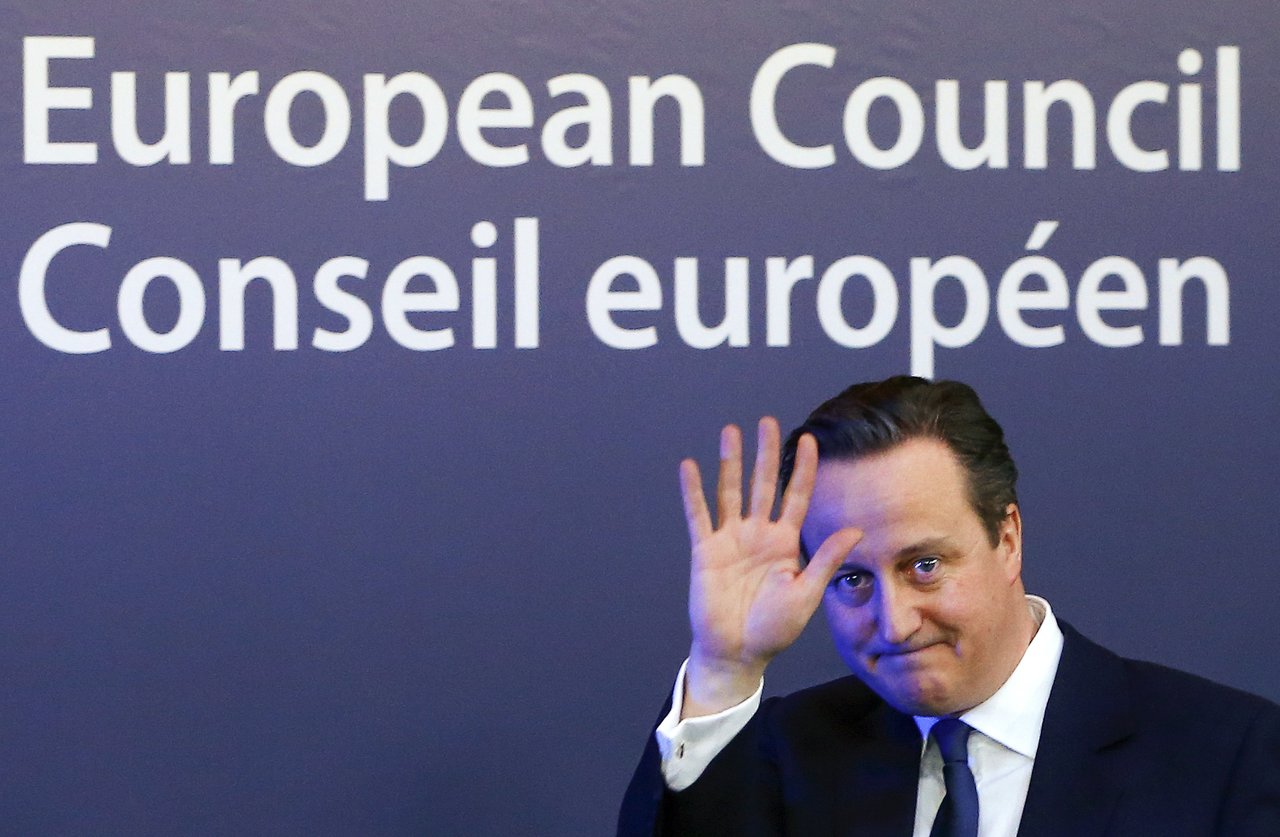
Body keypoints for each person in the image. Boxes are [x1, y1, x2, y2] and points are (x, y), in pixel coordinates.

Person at [618, 376, 1280, 836]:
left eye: (923, 566)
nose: (896, 620)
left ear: (1008, 536)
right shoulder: (781, 754)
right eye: (851, 580)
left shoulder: (1227, 755)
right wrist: (723, 666)